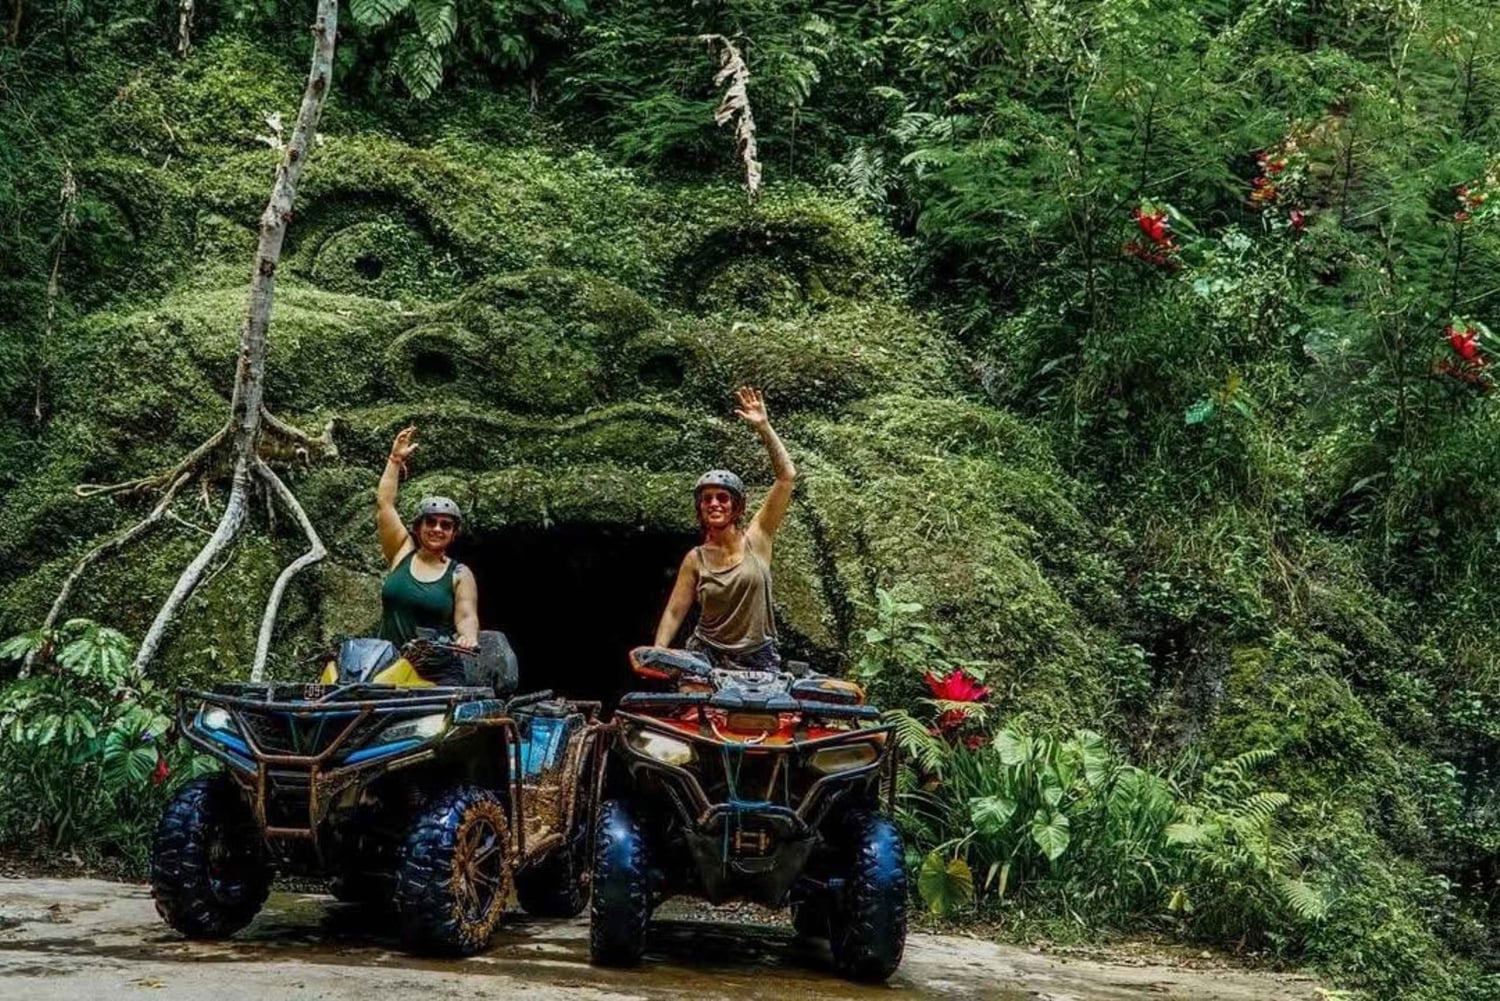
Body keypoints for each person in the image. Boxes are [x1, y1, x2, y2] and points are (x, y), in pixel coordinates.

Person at [653, 386, 796, 671]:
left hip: (758, 656)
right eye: (707, 499)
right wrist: (658, 652)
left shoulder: (758, 537)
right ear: (700, 508)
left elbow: (786, 477)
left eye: (722, 498)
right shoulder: (696, 558)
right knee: (689, 700)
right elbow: (675, 610)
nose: (714, 504)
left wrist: (764, 428)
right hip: (706, 654)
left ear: (737, 506)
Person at [376, 426, 479, 652]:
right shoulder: (401, 551)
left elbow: (466, 616)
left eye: (446, 525)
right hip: (387, 661)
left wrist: (468, 637)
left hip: (434, 666)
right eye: (430, 522)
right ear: (418, 527)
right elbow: (385, 504)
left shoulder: (460, 573)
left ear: (453, 533)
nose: (437, 529)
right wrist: (394, 460)